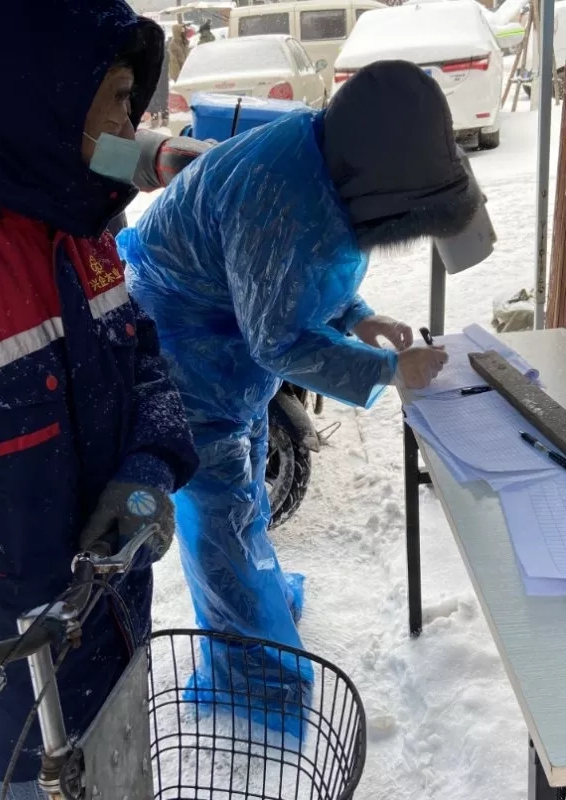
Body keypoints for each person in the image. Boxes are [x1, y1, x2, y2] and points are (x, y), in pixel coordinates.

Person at [116, 60, 477, 723]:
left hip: (225, 331)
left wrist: (358, 315)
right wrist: (389, 370)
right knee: (220, 504)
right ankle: (250, 676)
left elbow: (299, 275)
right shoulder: (279, 194)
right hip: (186, 341)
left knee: (245, 473)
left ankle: (259, 607)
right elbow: (279, 341)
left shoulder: (331, 158)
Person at [0, 0, 198, 796]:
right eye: (120, 98)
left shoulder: (84, 229)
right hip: (9, 695)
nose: (133, 125)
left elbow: (146, 366)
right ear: (40, 97)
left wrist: (148, 468)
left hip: (113, 639)